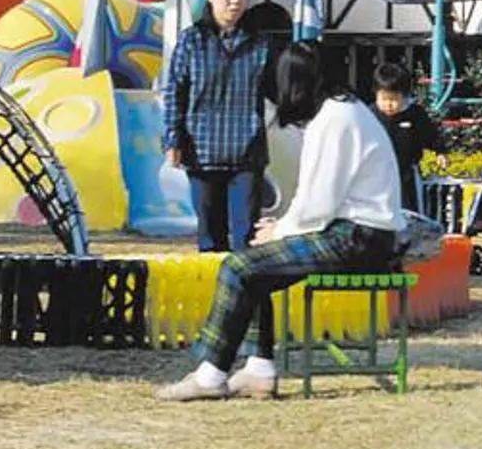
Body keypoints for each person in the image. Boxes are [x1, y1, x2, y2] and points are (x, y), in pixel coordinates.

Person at [159, 44, 404, 400]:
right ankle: (260, 368)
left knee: (238, 266)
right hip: (359, 232)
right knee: (255, 267)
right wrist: (283, 228)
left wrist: (282, 228)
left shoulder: (336, 120)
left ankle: (210, 374)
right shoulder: (343, 111)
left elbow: (319, 203)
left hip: (358, 237)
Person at [162, 0, 282, 252]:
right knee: (209, 238)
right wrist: (172, 140)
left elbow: (279, 90)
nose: (235, 1)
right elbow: (175, 92)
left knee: (246, 237)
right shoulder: (192, 41)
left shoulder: (261, 43)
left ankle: (246, 295)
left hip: (247, 151)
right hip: (201, 150)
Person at [371, 60, 442, 215]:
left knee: (408, 211)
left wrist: (439, 152)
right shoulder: (370, 115)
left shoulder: (415, 114)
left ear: (404, 96)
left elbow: (431, 136)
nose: (389, 105)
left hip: (406, 174)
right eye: (384, 99)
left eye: (394, 99)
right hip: (375, 173)